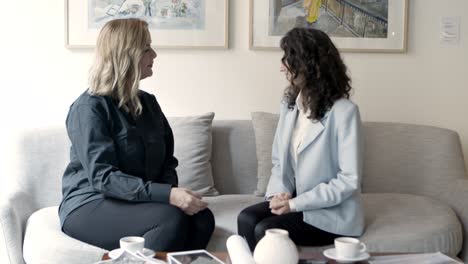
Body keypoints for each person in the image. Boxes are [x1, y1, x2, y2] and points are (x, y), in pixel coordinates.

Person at [58, 18, 214, 251]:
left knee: (202, 220)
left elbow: (167, 163)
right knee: (170, 219)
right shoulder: (89, 108)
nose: (155, 54)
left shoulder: (149, 104)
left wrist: (169, 194)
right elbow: (103, 178)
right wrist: (167, 196)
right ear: (126, 55)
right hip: (90, 203)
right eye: (147, 48)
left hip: (136, 202)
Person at [237, 27, 364, 251]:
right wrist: (280, 194)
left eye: (289, 58)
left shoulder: (345, 112)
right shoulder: (290, 105)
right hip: (295, 200)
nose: (282, 66)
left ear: (310, 64)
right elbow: (279, 161)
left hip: (331, 211)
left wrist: (295, 204)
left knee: (265, 231)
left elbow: (348, 181)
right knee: (246, 218)